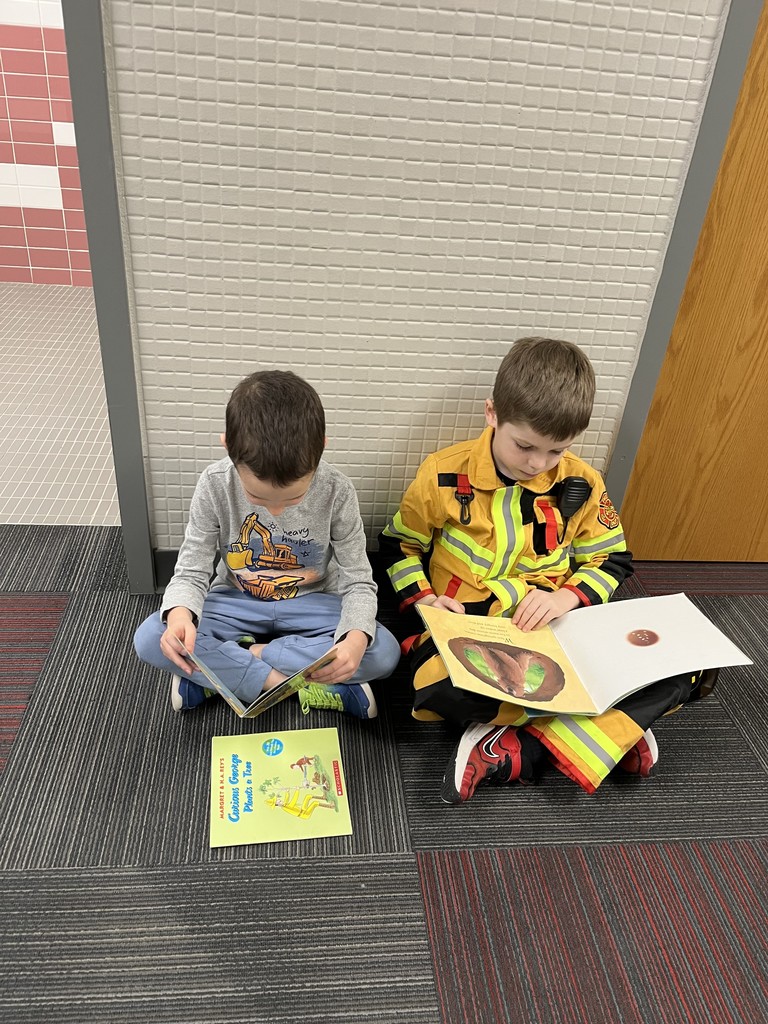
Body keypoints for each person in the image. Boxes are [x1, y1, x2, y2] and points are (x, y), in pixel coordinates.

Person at [379, 336, 704, 802]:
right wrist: (428, 600)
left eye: (556, 451)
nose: (537, 465)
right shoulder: (442, 474)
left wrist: (564, 598)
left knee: (685, 669)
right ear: (492, 413)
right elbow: (397, 546)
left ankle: (511, 742)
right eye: (525, 446)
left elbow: (612, 560)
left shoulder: (583, 482)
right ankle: (602, 731)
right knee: (430, 685)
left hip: (561, 625)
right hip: (478, 631)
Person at [134, 369, 401, 719]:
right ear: (228, 446)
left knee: (381, 650)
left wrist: (353, 639)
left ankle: (224, 671)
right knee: (152, 636)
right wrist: (181, 613)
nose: (275, 510)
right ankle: (294, 683)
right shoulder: (214, 484)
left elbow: (358, 581)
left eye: (293, 499)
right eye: (256, 496)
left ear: (320, 449)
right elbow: (191, 569)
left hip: (313, 601)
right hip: (235, 598)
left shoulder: (337, 490)